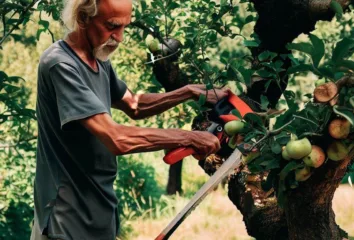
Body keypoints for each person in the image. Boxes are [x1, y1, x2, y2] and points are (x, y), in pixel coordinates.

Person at [30, 0, 228, 239]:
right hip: (66, 217)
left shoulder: (98, 58)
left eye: (124, 27)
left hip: (100, 208)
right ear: (82, 18)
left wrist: (187, 92)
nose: (120, 37)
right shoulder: (61, 65)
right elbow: (117, 138)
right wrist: (188, 137)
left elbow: (134, 104)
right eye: (112, 26)